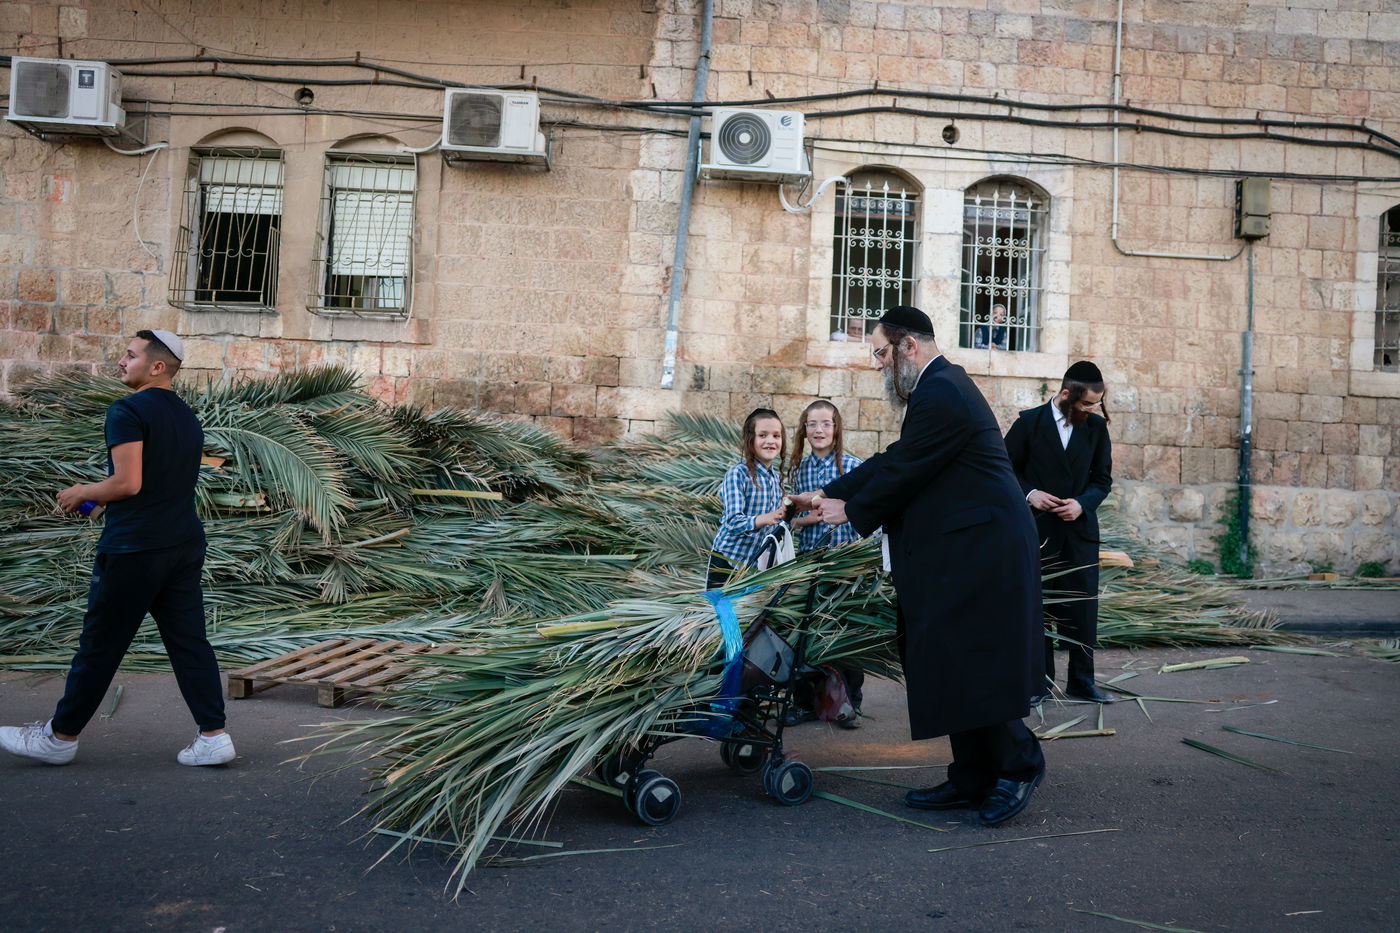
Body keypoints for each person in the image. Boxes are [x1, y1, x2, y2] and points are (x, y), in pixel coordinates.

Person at [792, 305, 1045, 827]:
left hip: (982, 551)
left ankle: (1019, 767)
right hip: (961, 550)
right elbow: (898, 456)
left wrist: (852, 510)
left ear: (909, 346)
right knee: (949, 659)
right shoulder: (936, 391)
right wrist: (829, 491)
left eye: (882, 353)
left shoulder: (943, 389)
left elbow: (908, 468)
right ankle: (972, 775)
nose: (879, 365)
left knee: (975, 663)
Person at [0, 330, 235, 768]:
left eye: (130, 356)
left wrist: (82, 491)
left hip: (135, 550)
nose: (121, 362)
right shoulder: (187, 416)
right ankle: (213, 736)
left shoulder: (126, 409)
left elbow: (129, 483)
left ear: (157, 366)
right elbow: (161, 484)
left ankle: (59, 737)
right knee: (189, 643)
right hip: (182, 544)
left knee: (100, 645)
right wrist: (101, 502)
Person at [1003, 361, 1114, 703]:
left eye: (1096, 403)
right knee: (1038, 607)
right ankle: (1041, 683)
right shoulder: (1028, 423)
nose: (1092, 409)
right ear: (1066, 394)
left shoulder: (1096, 428)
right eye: (1086, 403)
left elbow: (1102, 480)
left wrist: (1082, 503)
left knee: (1083, 608)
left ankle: (1083, 681)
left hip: (1079, 534)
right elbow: (1004, 469)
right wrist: (1030, 494)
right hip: (1036, 532)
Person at [786, 399, 866, 728]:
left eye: (826, 424)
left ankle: (849, 702)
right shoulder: (796, 471)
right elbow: (788, 519)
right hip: (808, 563)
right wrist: (807, 517)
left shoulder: (853, 467)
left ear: (836, 429)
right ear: (804, 431)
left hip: (846, 562)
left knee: (845, 631)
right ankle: (806, 702)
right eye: (812, 424)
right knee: (805, 633)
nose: (819, 430)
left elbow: (868, 512)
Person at [706, 408, 788, 589]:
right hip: (727, 561)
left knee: (748, 615)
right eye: (763, 435)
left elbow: (776, 522)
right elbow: (733, 521)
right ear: (750, 440)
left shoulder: (775, 477)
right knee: (721, 614)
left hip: (753, 565)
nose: (770, 441)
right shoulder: (738, 474)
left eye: (776, 436)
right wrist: (765, 518)